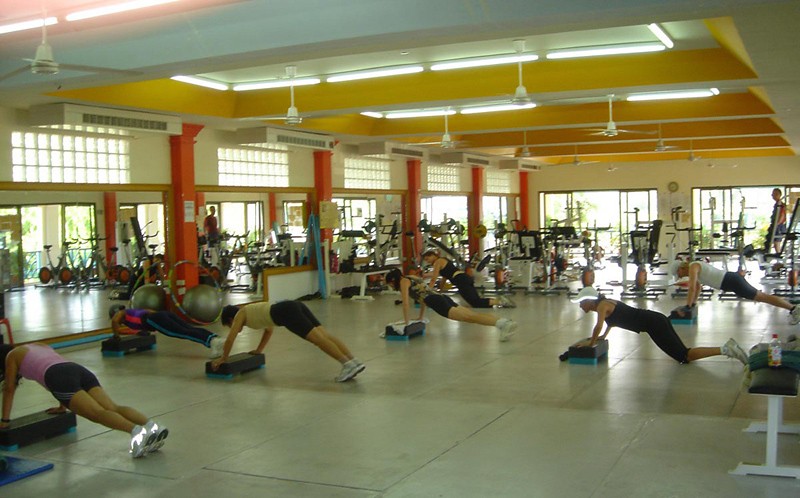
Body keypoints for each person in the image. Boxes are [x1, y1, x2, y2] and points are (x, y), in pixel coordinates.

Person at [0, 343, 167, 458]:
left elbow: (9, 389)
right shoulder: (36, 346)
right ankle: (152, 426)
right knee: (112, 407)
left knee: (97, 413)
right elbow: (50, 367)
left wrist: (5, 421)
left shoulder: (11, 357)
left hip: (58, 377)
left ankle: (137, 432)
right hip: (76, 369)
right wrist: (62, 405)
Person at [570, 286, 749, 365]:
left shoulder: (602, 306)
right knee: (683, 354)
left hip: (654, 324)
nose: (580, 306)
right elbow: (611, 322)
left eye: (581, 302)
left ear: (589, 301)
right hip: (656, 320)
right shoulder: (606, 303)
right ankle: (727, 349)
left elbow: (598, 326)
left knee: (684, 356)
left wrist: (591, 343)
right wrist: (603, 337)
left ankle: (726, 349)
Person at [213, 302, 365, 382]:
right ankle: (354, 361)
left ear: (231, 319)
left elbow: (231, 338)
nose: (231, 328)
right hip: (294, 305)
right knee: (325, 335)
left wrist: (223, 358)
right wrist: (259, 350)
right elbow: (268, 330)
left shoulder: (240, 315)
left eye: (229, 325)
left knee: (318, 340)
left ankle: (347, 364)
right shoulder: (251, 311)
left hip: (287, 313)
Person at [385, 268, 518, 342]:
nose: (391, 286)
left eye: (390, 283)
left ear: (393, 280)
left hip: (436, 302)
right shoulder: (411, 277)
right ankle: (503, 322)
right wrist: (420, 317)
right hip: (441, 298)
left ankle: (502, 324)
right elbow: (422, 296)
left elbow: (406, 303)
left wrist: (406, 322)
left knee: (470, 317)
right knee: (471, 316)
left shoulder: (403, 282)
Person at [669, 259, 800, 325]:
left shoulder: (693, 266)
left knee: (762, 297)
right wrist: (692, 304)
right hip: (731, 282)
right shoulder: (694, 267)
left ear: (681, 268)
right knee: (762, 297)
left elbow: (692, 288)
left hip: (732, 281)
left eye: (678, 273)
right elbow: (698, 288)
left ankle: (794, 309)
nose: (679, 276)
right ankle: (793, 308)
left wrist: (687, 306)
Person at [109, 304, 226, 358]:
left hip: (153, 319)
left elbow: (114, 321)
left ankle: (212, 342)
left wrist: (116, 335)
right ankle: (215, 339)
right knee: (188, 328)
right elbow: (148, 311)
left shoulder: (121, 313)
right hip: (162, 314)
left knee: (183, 332)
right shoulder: (131, 313)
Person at [421, 249, 515, 308]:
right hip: (463, 279)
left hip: (461, 280)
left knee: (475, 302)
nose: (427, 261)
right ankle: (499, 301)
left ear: (433, 255)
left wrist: (428, 293)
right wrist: (440, 292)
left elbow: (434, 278)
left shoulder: (438, 262)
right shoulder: (443, 262)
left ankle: (501, 301)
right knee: (476, 300)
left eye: (427, 259)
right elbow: (444, 278)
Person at [767, 188, 787, 254]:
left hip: (779, 226)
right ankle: (778, 255)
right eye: (772, 194)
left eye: (775, 194)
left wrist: (777, 224)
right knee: (774, 242)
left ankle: (779, 256)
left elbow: (782, 215)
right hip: (776, 225)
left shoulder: (780, 204)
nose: (773, 195)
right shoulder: (777, 204)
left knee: (777, 242)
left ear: (779, 195)